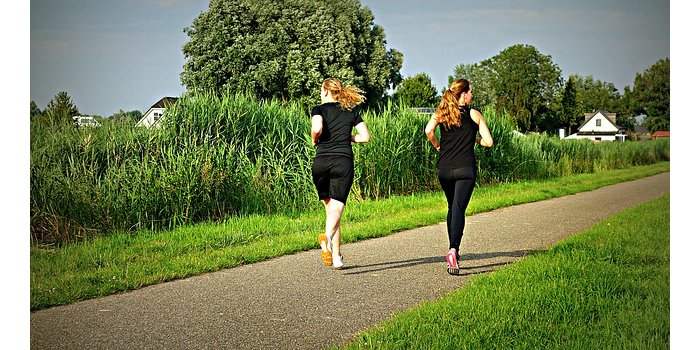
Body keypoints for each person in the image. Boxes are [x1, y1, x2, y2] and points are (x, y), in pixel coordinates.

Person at [424, 79, 493, 275]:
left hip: (444, 169)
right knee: (458, 208)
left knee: (451, 207)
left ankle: (452, 249)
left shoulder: (443, 112)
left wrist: (437, 145)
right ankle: (453, 250)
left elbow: (428, 130)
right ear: (464, 93)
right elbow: (489, 142)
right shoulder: (474, 114)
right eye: (471, 92)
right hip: (465, 170)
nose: (472, 95)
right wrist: (476, 139)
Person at [311, 78, 370, 269]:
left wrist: (314, 140)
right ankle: (327, 239)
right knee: (337, 209)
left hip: (321, 163)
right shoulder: (351, 111)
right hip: (342, 162)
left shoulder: (318, 109)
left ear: (326, 91)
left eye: (321, 90)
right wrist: (349, 137)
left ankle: (336, 257)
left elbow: (317, 128)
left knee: (331, 211)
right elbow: (365, 137)